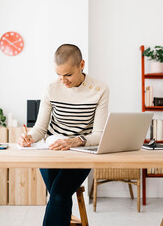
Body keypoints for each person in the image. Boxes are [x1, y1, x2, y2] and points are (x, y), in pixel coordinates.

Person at [18, 44, 109, 226]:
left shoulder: (100, 89)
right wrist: (29, 137)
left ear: (81, 65)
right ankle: (65, 218)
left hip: (81, 152)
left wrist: (75, 141)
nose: (63, 80)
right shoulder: (51, 88)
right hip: (50, 149)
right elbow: (40, 129)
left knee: (59, 195)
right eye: (58, 74)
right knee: (60, 197)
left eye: (68, 75)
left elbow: (99, 135)